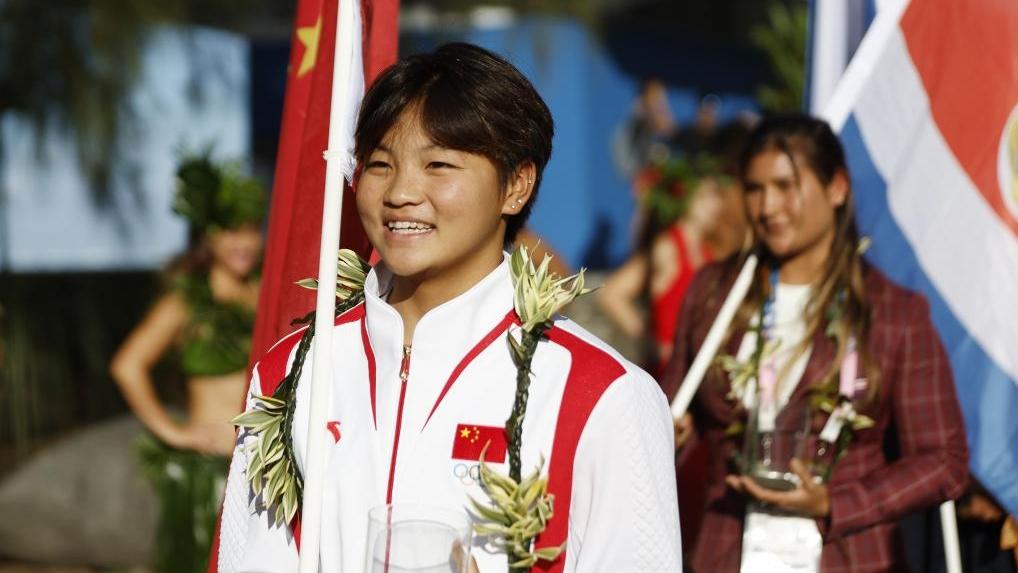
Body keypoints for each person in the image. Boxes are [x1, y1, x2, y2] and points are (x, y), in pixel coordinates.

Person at [214, 43, 682, 573]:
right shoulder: (290, 373)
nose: (401, 192)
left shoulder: (602, 394)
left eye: (439, 164)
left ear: (516, 184)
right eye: (380, 163)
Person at [663, 114, 968, 572]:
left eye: (786, 186)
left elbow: (945, 461)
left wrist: (837, 502)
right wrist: (667, 436)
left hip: (850, 556)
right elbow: (672, 413)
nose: (767, 207)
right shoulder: (716, 293)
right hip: (724, 551)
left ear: (836, 188)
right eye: (754, 188)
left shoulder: (894, 313)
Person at [110, 156, 265, 573]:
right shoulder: (185, 302)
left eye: (251, 230)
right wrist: (172, 432)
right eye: (231, 231)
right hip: (210, 472)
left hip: (265, 467)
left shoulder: (264, 292)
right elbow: (128, 365)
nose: (244, 242)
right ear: (208, 236)